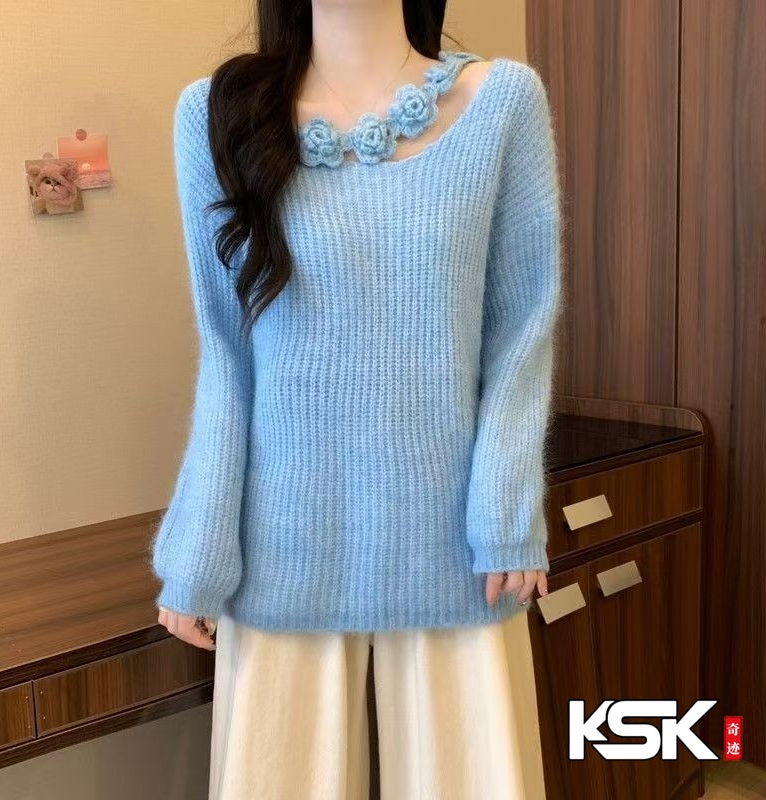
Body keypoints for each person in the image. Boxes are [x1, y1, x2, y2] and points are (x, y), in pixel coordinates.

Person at [150, 1, 563, 797]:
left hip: (459, 547)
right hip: (281, 546)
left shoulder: (501, 103)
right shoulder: (216, 116)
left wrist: (507, 516)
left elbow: (520, 333)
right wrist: (199, 548)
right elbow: (227, 356)